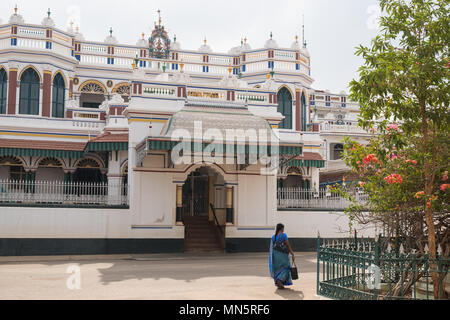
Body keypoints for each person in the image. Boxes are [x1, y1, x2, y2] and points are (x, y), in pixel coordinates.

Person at [269, 223, 295, 289]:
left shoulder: (273, 237)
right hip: (283, 255)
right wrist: (292, 253)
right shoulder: (284, 235)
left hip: (275, 256)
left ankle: (279, 281)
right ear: (281, 228)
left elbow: (272, 248)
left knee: (278, 269)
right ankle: (279, 280)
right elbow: (288, 245)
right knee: (286, 267)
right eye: (283, 228)